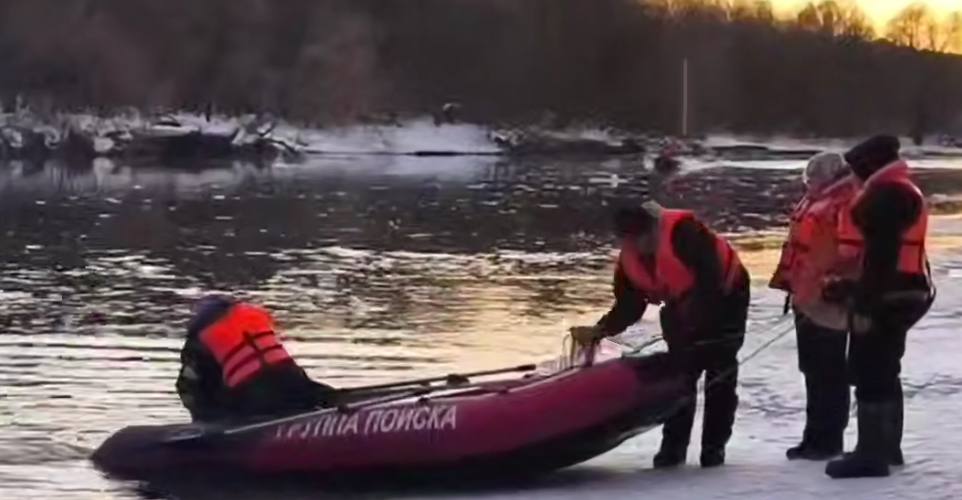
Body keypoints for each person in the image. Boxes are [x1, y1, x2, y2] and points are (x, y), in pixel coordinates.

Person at [571, 202, 750, 468]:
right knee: (680, 377)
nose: (638, 245)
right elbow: (629, 305)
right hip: (681, 302)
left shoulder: (686, 234)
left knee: (719, 371)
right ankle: (673, 450)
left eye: (641, 237)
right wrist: (602, 330)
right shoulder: (629, 258)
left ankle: (714, 449)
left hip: (726, 295)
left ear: (653, 228)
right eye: (629, 239)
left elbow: (708, 284)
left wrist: (694, 331)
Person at [824, 135, 935, 479]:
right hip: (905, 290)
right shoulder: (900, 189)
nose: (852, 179)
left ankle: (871, 455)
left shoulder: (887, 195)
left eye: (856, 172)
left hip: (890, 296)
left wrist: (863, 301)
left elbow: (881, 258)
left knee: (871, 368)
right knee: (885, 368)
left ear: (868, 168)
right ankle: (886, 449)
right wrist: (852, 288)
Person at [770, 153, 859, 460]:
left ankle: (829, 439)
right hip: (806, 298)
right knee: (812, 369)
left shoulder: (847, 203)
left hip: (829, 299)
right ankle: (814, 436)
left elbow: (853, 252)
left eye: (815, 176)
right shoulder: (813, 202)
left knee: (829, 371)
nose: (810, 182)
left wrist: (840, 284)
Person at [176, 295, 335, 422]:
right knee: (312, 395)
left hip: (255, 394)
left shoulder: (198, 339)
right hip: (296, 381)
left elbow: (191, 389)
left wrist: (205, 424)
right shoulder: (255, 315)